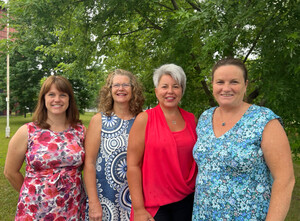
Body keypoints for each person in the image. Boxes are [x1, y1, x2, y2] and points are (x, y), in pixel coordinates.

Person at [192, 58, 295, 220]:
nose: (226, 88)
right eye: (220, 82)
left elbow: (285, 180)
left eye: (234, 82)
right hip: (204, 214)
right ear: (212, 84)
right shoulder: (205, 118)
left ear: (245, 85)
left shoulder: (264, 120)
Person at [4, 75, 87, 220]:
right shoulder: (27, 131)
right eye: (51, 95)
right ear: (43, 99)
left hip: (72, 207)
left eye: (62, 95)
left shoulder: (80, 131)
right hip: (35, 209)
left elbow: (90, 166)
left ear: (69, 99)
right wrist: (31, 193)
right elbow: (10, 172)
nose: (57, 99)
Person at [127, 64, 198, 221]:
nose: (170, 91)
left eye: (176, 86)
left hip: (187, 200)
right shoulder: (144, 119)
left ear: (182, 91)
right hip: (154, 205)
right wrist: (138, 209)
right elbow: (132, 165)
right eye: (164, 86)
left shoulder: (192, 119)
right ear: (156, 91)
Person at [83, 69, 144, 221]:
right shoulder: (99, 120)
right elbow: (89, 163)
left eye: (125, 85)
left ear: (133, 89)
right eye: (116, 85)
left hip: (136, 199)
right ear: (109, 90)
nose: (121, 89)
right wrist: (94, 202)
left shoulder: (143, 120)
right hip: (105, 199)